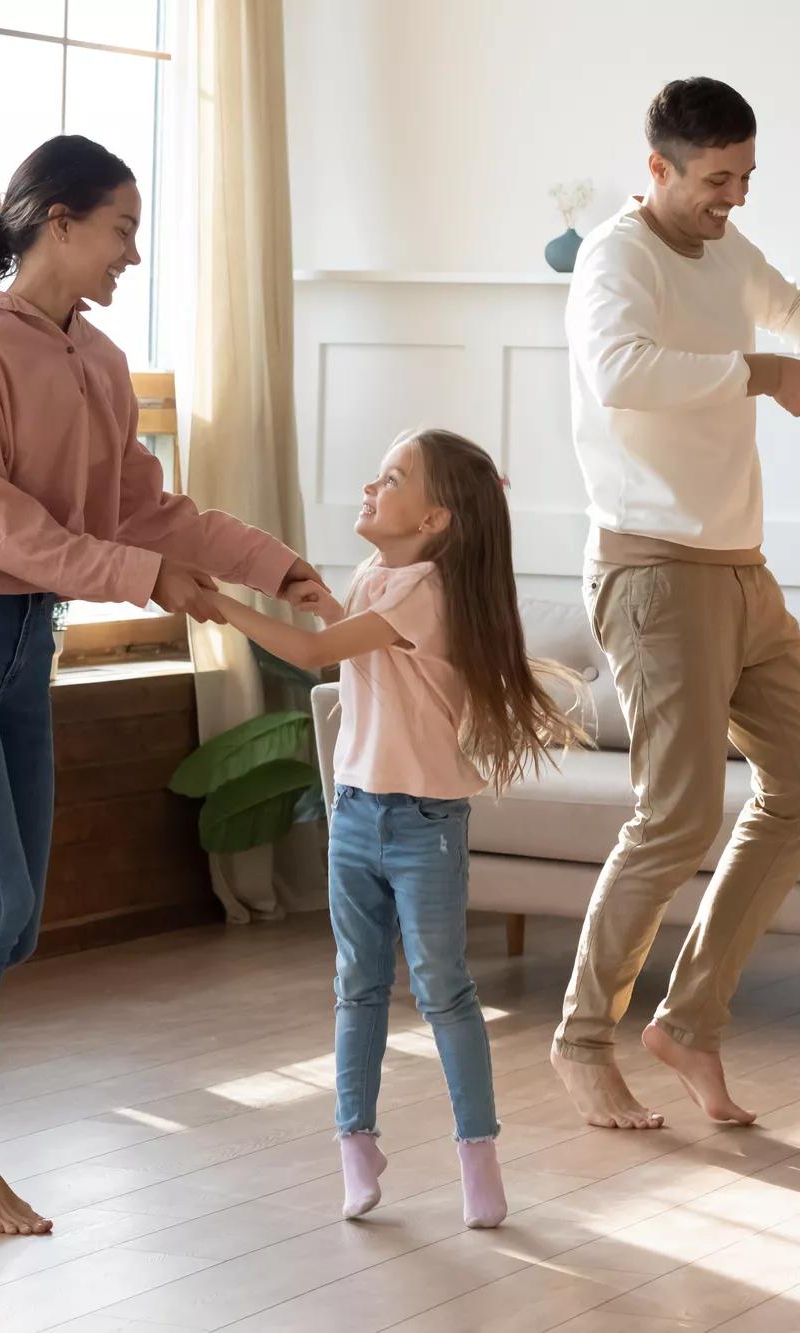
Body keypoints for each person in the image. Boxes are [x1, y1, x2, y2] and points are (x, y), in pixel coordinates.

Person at [0, 135, 328, 1236]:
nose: (132, 253)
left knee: (17, 920)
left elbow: (141, 506)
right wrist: (147, 580)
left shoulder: (101, 361)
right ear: (58, 222)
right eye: (121, 229)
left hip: (23, 651)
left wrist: (274, 563)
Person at [555, 77, 800, 1130]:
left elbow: (785, 299)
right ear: (654, 168)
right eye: (714, 180)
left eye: (744, 178)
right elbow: (619, 370)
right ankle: (580, 1038)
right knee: (677, 814)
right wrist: (757, 372)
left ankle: (689, 1020)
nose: (732, 199)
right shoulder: (615, 259)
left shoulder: (720, 249)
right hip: (653, 571)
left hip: (738, 570)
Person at [208, 428, 584, 1230]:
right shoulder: (383, 579)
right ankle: (357, 1145)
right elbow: (370, 655)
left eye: (390, 478)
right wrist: (337, 605)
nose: (371, 488)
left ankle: (477, 1155)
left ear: (434, 519)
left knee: (443, 989)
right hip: (355, 812)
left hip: (422, 824)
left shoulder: (421, 591)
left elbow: (315, 653)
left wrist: (216, 603)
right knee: (358, 987)